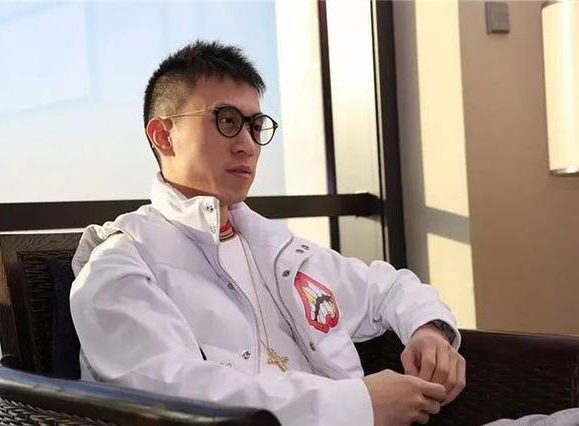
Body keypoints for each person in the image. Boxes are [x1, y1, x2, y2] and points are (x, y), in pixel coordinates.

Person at [69, 40, 466, 425]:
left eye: (255, 125)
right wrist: (360, 405)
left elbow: (388, 287)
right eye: (227, 121)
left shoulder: (276, 248)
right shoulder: (122, 263)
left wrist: (429, 331)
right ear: (163, 135)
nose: (247, 145)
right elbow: (173, 394)